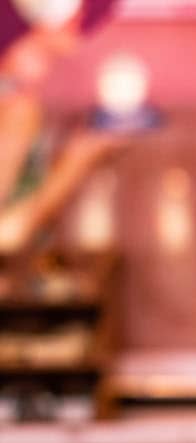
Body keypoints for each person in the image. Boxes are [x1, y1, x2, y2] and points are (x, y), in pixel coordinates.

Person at [0, 0, 123, 256]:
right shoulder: (17, 112)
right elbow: (10, 231)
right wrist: (78, 158)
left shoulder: (19, 103)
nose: (73, 46)